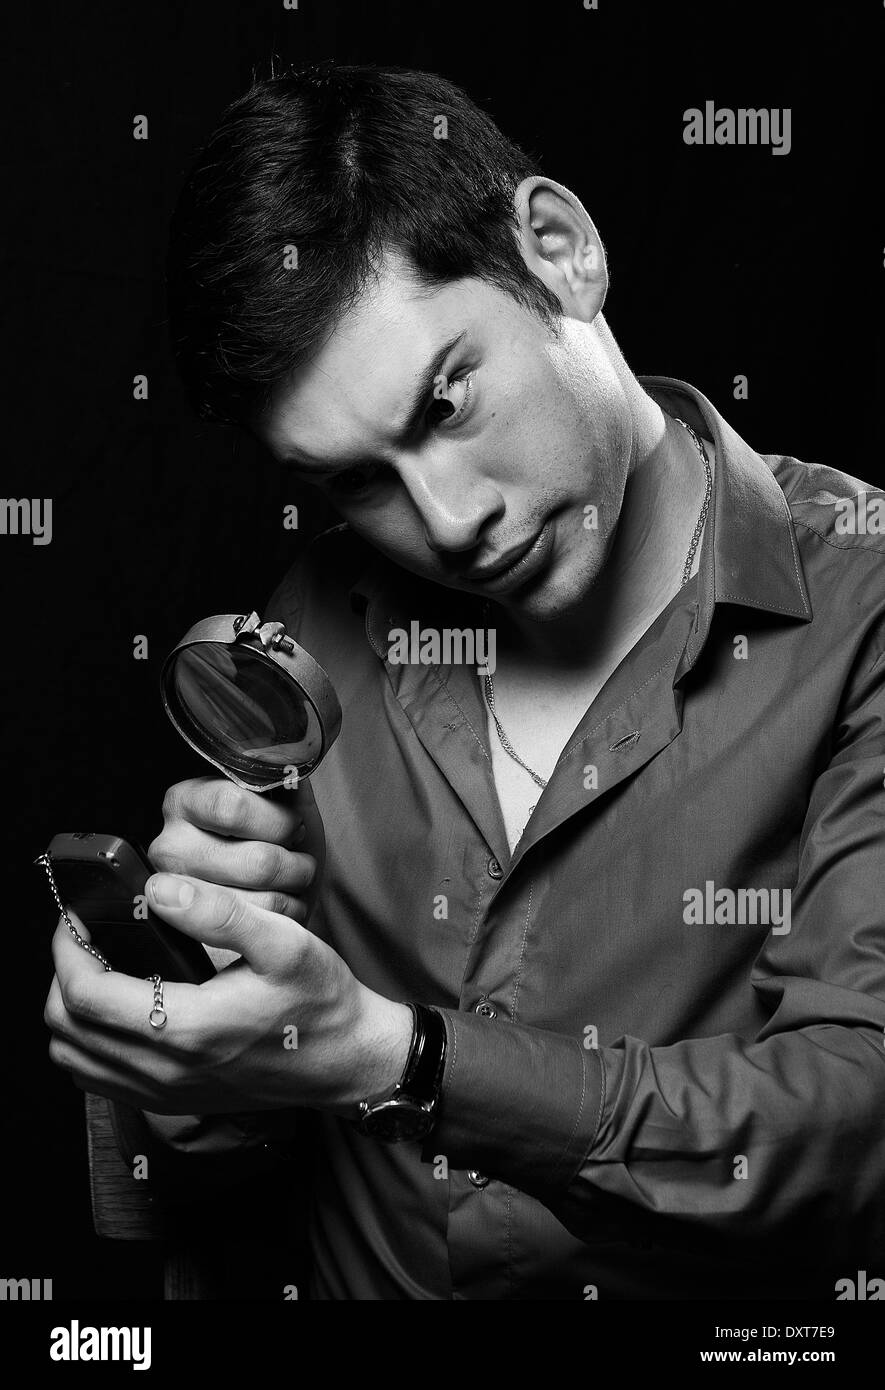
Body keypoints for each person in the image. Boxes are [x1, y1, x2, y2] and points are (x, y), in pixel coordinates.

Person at [45, 62, 885, 1300]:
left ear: (560, 249)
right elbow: (222, 1181)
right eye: (358, 480)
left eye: (446, 402)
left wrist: (406, 1060)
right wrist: (185, 1029)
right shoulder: (314, 627)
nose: (445, 521)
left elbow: (855, 1126)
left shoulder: (863, 604)